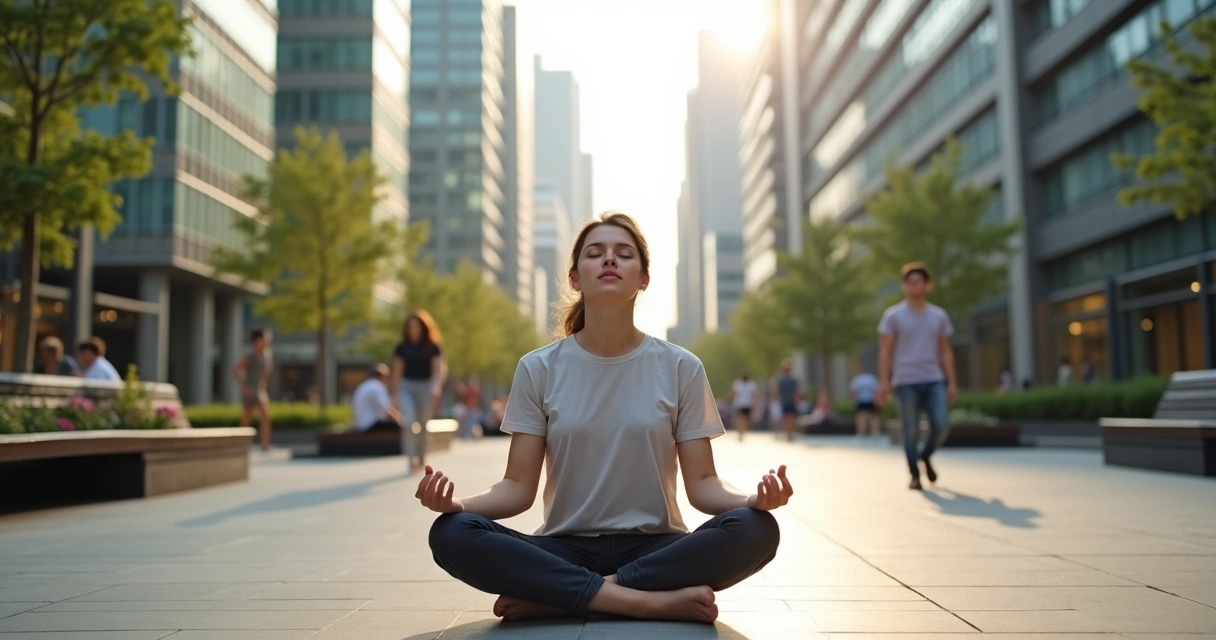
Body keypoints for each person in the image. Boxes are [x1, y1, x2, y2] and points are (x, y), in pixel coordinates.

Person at [417, 212, 791, 624]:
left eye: (623, 254)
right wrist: (458, 504)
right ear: (576, 279)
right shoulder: (538, 368)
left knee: (757, 529)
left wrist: (753, 501)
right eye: (595, 254)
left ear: (643, 278)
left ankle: (562, 596)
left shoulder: (681, 367)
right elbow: (517, 487)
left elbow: (703, 485)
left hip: (656, 546)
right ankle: (645, 602)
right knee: (451, 533)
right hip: (564, 546)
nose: (609, 260)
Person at [876, 262, 957, 491]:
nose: (914, 285)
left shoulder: (938, 316)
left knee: (940, 425)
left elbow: (946, 351)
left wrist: (951, 382)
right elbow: (885, 350)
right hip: (905, 381)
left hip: (934, 378)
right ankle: (914, 474)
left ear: (927, 285)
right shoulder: (893, 316)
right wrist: (884, 382)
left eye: (918, 281)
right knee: (910, 430)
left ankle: (926, 455)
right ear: (905, 286)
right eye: (910, 282)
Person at [391, 310, 448, 475]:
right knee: (409, 422)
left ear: (423, 328)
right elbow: (397, 371)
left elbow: (439, 369)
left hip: (426, 386)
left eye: (416, 325)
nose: (413, 329)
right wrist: (395, 394)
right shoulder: (402, 347)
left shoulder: (433, 347)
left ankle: (422, 457)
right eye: (411, 326)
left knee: (423, 424)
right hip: (406, 386)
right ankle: (410, 459)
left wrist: (436, 386)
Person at [233, 328, 274, 452]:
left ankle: (265, 445)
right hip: (251, 390)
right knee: (246, 419)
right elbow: (235, 371)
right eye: (265, 338)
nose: (267, 340)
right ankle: (239, 444)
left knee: (266, 416)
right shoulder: (250, 356)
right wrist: (244, 387)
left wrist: (263, 387)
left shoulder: (268, 355)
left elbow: (267, 372)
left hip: (260, 391)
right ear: (257, 340)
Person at [352, 364, 402, 432]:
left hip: (362, 425)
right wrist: (402, 420)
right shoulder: (377, 386)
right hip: (369, 425)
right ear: (382, 375)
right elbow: (387, 411)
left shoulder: (366, 385)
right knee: (400, 427)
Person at [772, 360, 800, 442]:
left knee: (788, 418)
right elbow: (796, 392)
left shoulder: (782, 380)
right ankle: (789, 434)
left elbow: (776, 392)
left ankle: (789, 433)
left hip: (785, 401)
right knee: (790, 418)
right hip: (787, 401)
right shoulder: (790, 380)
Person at [849, 370, 881, 439]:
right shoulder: (872, 378)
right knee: (874, 417)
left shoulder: (858, 379)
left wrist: (854, 400)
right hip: (871, 399)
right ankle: (875, 433)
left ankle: (861, 433)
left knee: (861, 418)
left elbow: (854, 390)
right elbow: (876, 390)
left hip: (861, 400)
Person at [729, 372, 758, 441]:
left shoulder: (749, 384)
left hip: (746, 404)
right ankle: (740, 432)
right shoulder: (739, 383)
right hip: (741, 404)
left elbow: (754, 395)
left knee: (744, 419)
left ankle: (742, 432)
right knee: (741, 419)